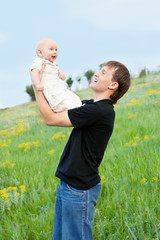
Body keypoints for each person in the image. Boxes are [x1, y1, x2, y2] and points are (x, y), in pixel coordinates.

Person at [30, 60, 131, 240]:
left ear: (113, 84)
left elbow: (50, 119)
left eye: (103, 72)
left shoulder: (99, 111)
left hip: (79, 190)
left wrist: (37, 86)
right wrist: (48, 75)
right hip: (69, 184)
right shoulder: (90, 106)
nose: (96, 74)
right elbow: (57, 104)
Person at [30, 38, 82, 112]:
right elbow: (34, 71)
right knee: (58, 100)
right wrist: (37, 83)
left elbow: (58, 70)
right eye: (51, 49)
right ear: (40, 53)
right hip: (49, 87)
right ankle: (64, 109)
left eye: (56, 50)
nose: (54, 52)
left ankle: (76, 106)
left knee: (71, 96)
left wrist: (61, 75)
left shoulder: (54, 64)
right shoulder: (39, 61)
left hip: (58, 86)